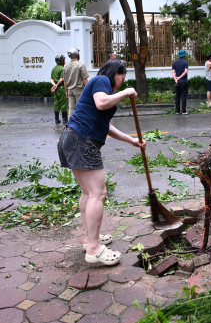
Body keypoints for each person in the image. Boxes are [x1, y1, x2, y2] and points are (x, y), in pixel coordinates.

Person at [58, 60, 145, 265]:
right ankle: (95, 250)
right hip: (82, 140)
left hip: (72, 138)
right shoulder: (101, 80)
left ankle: (89, 239)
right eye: (122, 76)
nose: (122, 81)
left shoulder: (101, 86)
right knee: (98, 193)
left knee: (88, 193)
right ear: (115, 72)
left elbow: (105, 126)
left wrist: (132, 140)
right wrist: (126, 92)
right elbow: (101, 103)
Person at [63, 48, 89, 118]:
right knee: (81, 108)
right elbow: (85, 79)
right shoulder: (80, 65)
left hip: (70, 90)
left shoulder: (66, 66)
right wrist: (90, 89)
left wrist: (66, 91)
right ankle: (81, 124)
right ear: (77, 55)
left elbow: (65, 81)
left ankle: (70, 124)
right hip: (79, 90)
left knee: (71, 109)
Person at [51, 55, 68, 124]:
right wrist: (57, 85)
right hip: (61, 88)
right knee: (64, 103)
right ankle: (64, 119)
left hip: (56, 89)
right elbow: (61, 79)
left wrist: (54, 85)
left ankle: (56, 119)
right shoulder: (62, 69)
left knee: (57, 103)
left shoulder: (54, 69)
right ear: (62, 61)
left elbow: (51, 79)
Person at [172, 50, 189, 115]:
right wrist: (180, 77)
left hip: (177, 82)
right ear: (184, 55)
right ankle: (184, 111)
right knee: (184, 96)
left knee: (177, 96)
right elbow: (185, 71)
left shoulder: (175, 63)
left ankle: (177, 111)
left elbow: (173, 72)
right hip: (183, 81)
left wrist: (176, 79)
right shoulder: (185, 62)